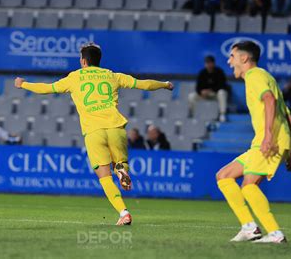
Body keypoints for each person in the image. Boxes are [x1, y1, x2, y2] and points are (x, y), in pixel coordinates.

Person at [14, 43, 173, 226]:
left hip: (94, 131)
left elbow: (48, 88)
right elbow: (143, 84)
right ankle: (122, 171)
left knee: (104, 176)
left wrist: (23, 84)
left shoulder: (74, 77)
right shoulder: (112, 75)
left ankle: (124, 212)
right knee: (120, 164)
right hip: (116, 127)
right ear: (99, 60)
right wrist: (164, 84)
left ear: (83, 61)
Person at [216, 41, 291, 244]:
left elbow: (269, 100)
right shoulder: (266, 76)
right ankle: (249, 227)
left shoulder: (254, 76)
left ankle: (275, 233)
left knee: (249, 186)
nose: (229, 61)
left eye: (232, 56)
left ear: (244, 58)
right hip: (267, 141)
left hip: (270, 140)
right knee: (224, 176)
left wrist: (269, 136)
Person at [188, 55, 228, 122]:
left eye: (210, 63)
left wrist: (211, 90)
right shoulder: (202, 73)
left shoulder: (219, 72)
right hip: (204, 95)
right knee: (191, 96)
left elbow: (223, 85)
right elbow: (198, 87)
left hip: (215, 94)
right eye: (207, 63)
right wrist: (201, 92)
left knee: (222, 92)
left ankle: (222, 114)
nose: (208, 64)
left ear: (213, 63)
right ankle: (194, 114)